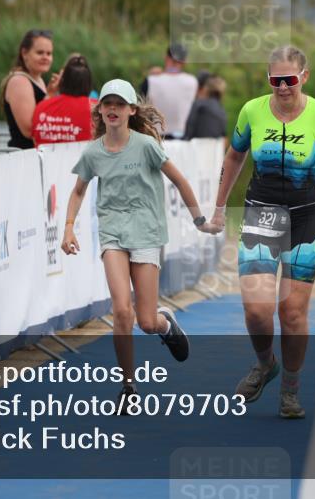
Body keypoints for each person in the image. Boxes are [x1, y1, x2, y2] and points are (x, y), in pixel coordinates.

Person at [208, 45, 315, 419]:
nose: (282, 87)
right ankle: (265, 364)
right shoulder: (252, 110)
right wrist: (218, 206)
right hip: (262, 214)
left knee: (291, 313)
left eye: (289, 80)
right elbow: (234, 155)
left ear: (304, 77)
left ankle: (291, 389)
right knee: (257, 311)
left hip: (305, 219)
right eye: (275, 80)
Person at [61, 79, 214, 411]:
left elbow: (180, 180)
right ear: (99, 110)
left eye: (120, 104)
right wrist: (68, 228)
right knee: (120, 310)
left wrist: (199, 219)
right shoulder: (94, 151)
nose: (113, 109)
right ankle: (128, 386)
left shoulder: (146, 146)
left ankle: (164, 323)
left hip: (146, 231)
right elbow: (77, 192)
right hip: (113, 233)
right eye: (108, 104)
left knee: (145, 321)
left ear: (131, 110)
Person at [1, 29, 53, 149]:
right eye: (40, 53)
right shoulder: (19, 81)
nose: (45, 57)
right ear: (24, 53)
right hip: (24, 158)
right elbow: (29, 130)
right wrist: (50, 96)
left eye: (49, 53)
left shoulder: (40, 80)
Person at [31, 53, 96, 145]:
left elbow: (35, 141)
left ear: (62, 81)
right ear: (88, 83)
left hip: (46, 159)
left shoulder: (42, 107)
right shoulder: (98, 108)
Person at [140, 43, 197, 139]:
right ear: (185, 61)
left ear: (166, 57)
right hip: (181, 138)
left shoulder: (151, 80)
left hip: (155, 137)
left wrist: (150, 75)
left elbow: (140, 109)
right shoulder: (192, 82)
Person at [183, 71, 228, 141]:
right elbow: (223, 136)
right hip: (213, 149)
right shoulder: (222, 110)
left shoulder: (198, 104)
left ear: (205, 89)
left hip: (196, 147)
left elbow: (189, 131)